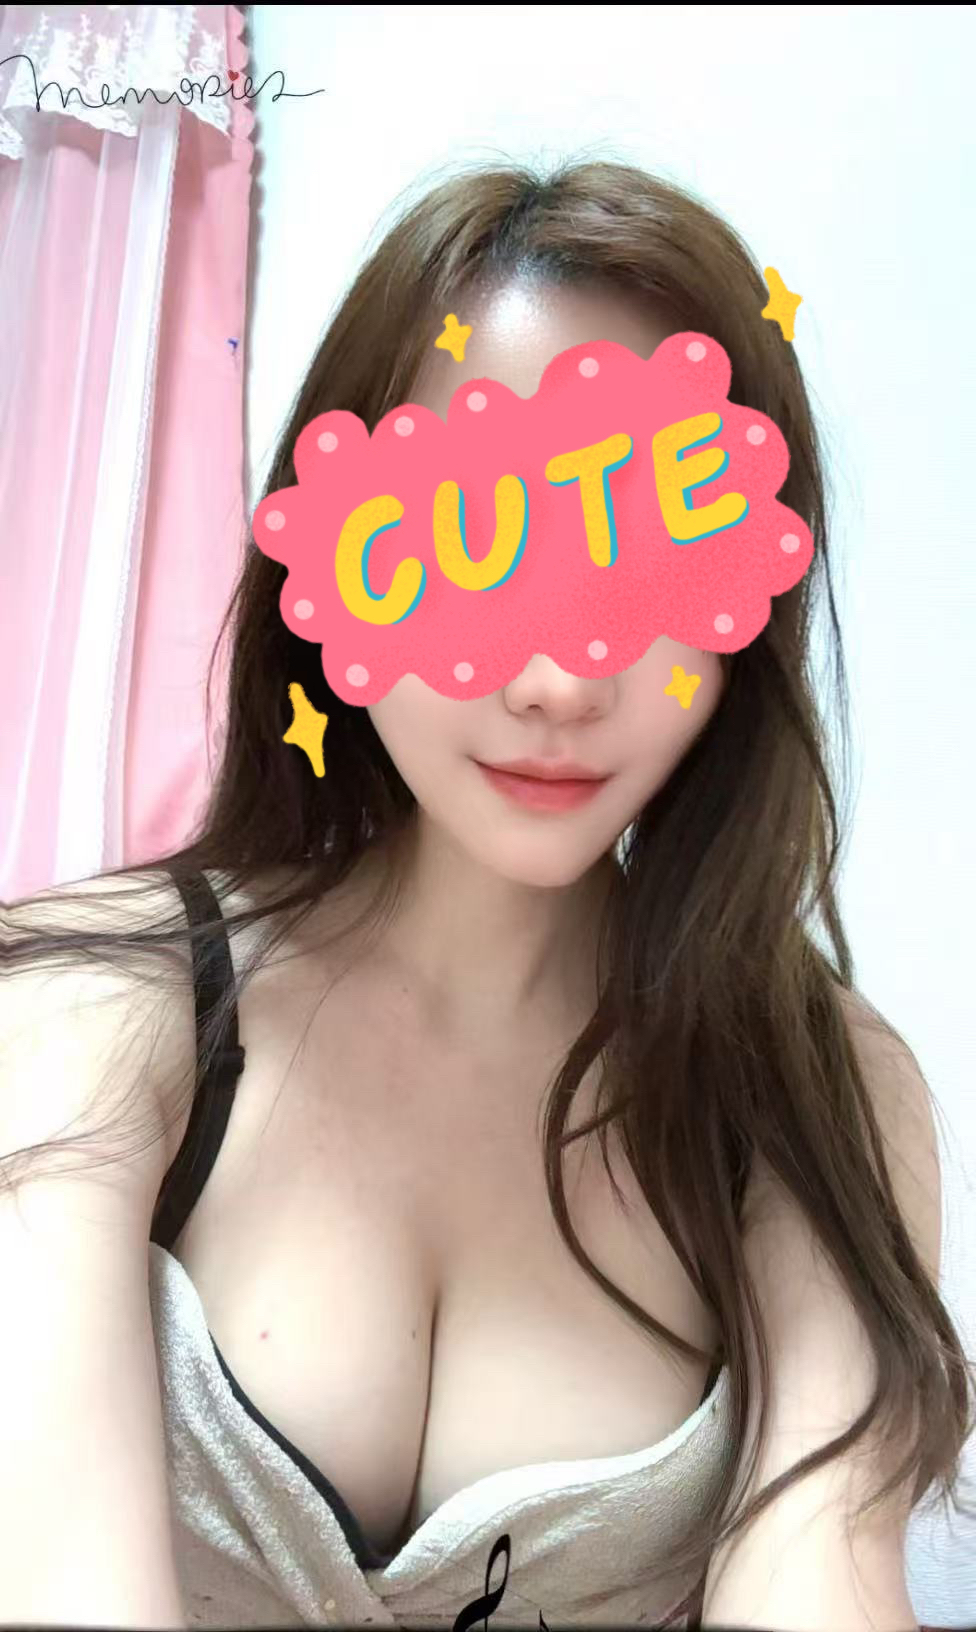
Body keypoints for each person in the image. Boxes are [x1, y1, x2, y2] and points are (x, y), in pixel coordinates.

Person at [1, 160, 972, 1632]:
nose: (558, 681)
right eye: (476, 545)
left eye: (647, 564)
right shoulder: (91, 1005)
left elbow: (820, 1579)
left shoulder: (815, 1089)